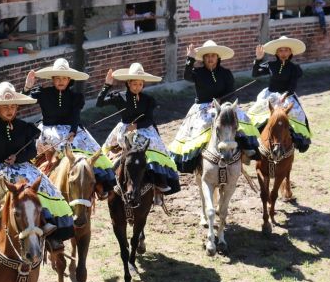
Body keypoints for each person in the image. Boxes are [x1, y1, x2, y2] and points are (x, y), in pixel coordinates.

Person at [0, 82, 75, 250]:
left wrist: (18, 157)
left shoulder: (25, 127)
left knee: (44, 185)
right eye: (5, 106)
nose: (10, 110)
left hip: (22, 168)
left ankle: (49, 226)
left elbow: (31, 151)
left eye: (13, 106)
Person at [24, 58, 115, 197]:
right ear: (53, 79)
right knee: (65, 146)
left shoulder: (76, 97)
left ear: (69, 79)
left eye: (64, 78)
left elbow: (75, 116)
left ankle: (99, 180)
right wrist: (27, 87)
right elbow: (23, 102)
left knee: (93, 147)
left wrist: (73, 130)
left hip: (71, 128)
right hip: (49, 129)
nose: (61, 81)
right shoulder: (43, 93)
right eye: (58, 78)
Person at [168, 40, 259, 173]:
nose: (210, 59)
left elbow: (231, 92)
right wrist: (190, 59)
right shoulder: (197, 72)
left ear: (218, 57)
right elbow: (186, 76)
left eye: (213, 56)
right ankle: (195, 160)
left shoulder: (226, 73)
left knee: (241, 118)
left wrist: (221, 100)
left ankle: (245, 148)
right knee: (202, 126)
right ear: (203, 59)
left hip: (223, 106)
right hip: (203, 107)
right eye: (207, 56)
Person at [98, 62, 181, 204]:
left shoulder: (149, 100)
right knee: (107, 151)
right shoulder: (120, 97)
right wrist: (107, 85)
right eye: (134, 84)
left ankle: (158, 182)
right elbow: (100, 103)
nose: (137, 87)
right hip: (125, 129)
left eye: (140, 84)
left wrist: (136, 125)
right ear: (128, 83)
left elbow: (149, 119)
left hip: (145, 129)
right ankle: (108, 182)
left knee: (155, 146)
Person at [247, 36, 311, 152]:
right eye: (281, 50)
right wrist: (258, 59)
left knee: (300, 116)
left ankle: (300, 140)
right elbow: (255, 73)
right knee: (254, 113)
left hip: (286, 96)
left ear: (290, 52)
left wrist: (285, 95)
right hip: (270, 96)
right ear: (276, 52)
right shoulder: (270, 65)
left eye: (286, 50)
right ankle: (253, 141)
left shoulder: (294, 68)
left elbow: (292, 86)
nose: (283, 53)